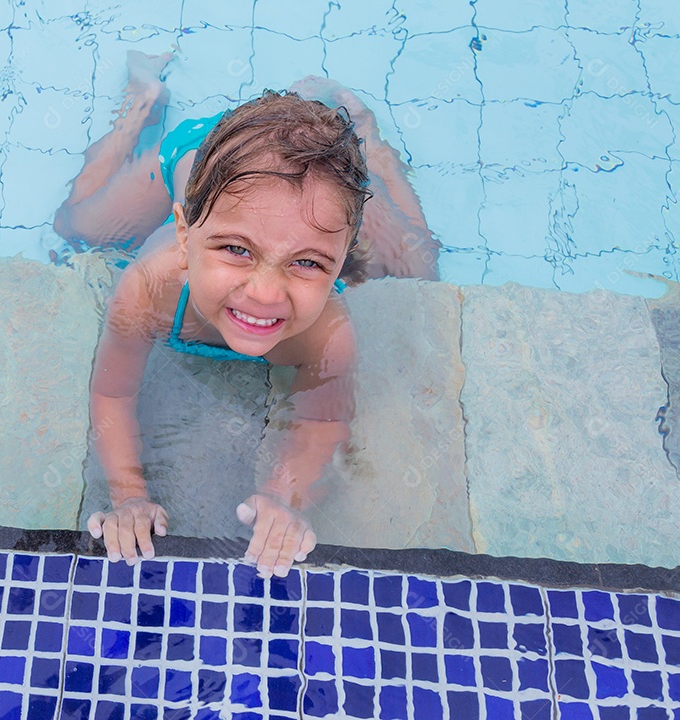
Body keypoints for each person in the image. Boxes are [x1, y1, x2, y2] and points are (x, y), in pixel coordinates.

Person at [54, 52, 437, 578]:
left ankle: (371, 146)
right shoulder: (147, 287)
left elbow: (323, 419)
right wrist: (128, 496)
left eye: (307, 262)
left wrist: (284, 498)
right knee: (77, 227)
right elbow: (113, 393)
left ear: (341, 261)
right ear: (185, 233)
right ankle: (138, 107)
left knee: (419, 266)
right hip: (195, 156)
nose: (264, 293)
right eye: (235, 250)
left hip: (315, 185)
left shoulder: (329, 334)